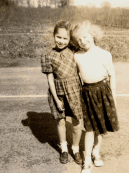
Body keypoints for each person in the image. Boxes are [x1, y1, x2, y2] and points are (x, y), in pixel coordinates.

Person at [71, 21, 120, 173]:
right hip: (87, 94)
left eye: (85, 37)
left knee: (101, 126)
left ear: (92, 34)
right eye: (79, 40)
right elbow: (77, 77)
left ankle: (96, 152)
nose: (83, 41)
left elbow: (112, 75)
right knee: (90, 129)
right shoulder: (77, 56)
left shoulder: (105, 54)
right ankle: (86, 162)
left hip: (103, 93)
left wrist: (113, 97)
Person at [41, 20, 83, 165]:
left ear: (69, 39)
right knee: (61, 122)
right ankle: (64, 149)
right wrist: (56, 99)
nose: (61, 41)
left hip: (75, 91)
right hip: (58, 93)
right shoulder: (48, 55)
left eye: (65, 38)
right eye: (59, 37)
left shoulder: (74, 51)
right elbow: (50, 80)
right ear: (54, 36)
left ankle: (76, 149)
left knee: (78, 122)